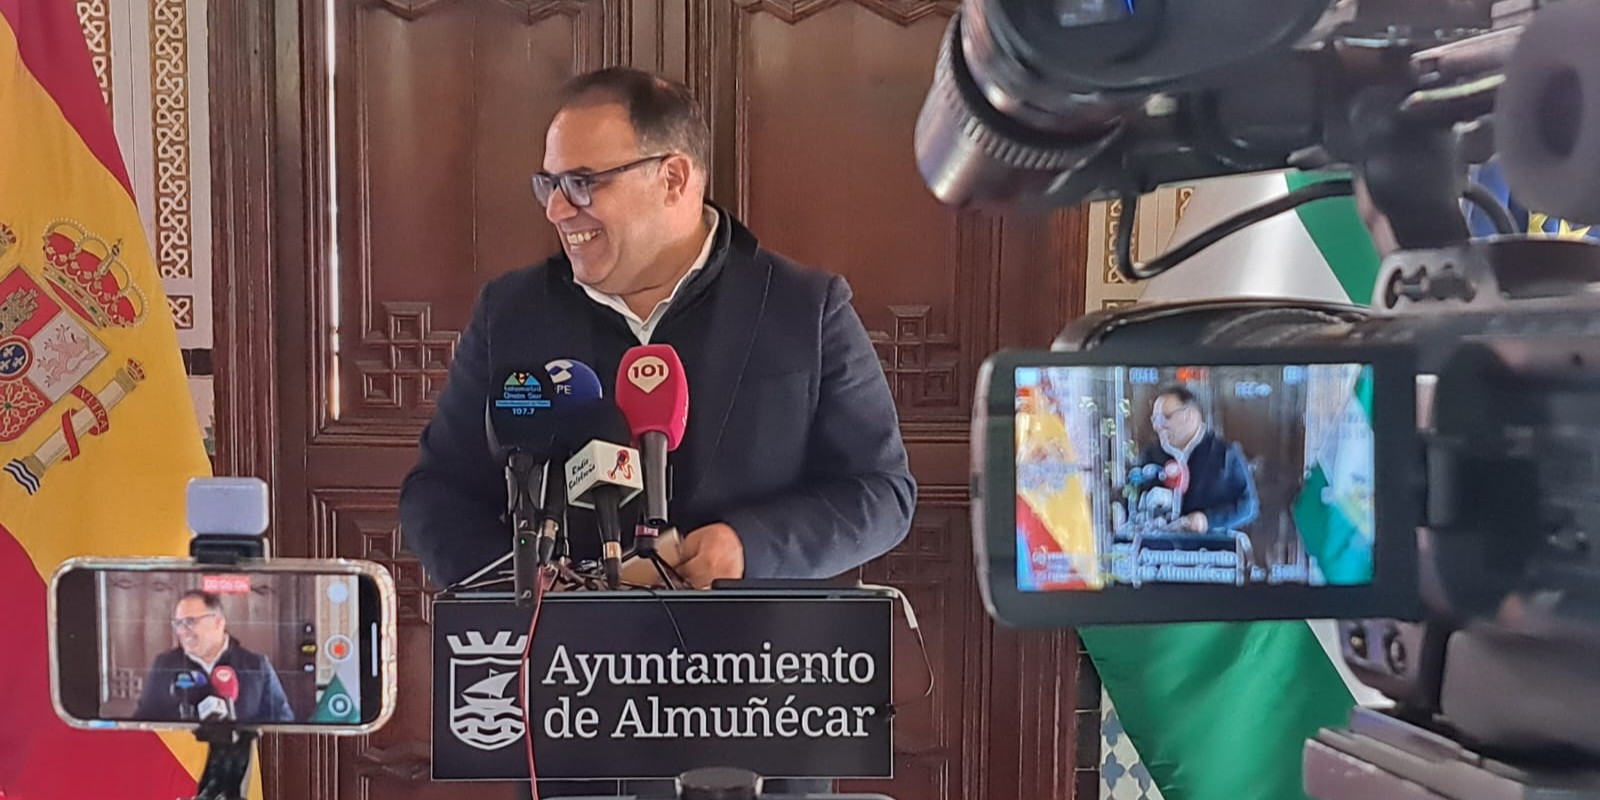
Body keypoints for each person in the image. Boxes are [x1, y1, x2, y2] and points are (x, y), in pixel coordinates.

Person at [398, 67, 916, 796]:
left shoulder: (804, 308)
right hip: (575, 722)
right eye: (549, 184)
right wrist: (523, 585)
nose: (559, 209)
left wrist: (747, 546)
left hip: (762, 715)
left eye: (583, 182)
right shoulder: (513, 313)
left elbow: (883, 494)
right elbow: (437, 494)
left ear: (672, 178)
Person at [132, 590, 295, 724]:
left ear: (218, 622)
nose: (182, 631)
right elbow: (142, 722)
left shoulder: (256, 666)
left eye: (190, 622)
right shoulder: (165, 665)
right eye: (178, 624)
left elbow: (283, 723)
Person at [1138, 386, 1258, 534]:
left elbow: (1248, 507)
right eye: (1155, 419)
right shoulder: (1151, 454)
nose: (1158, 426)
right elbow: (1136, 496)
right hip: (1159, 545)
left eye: (1166, 417)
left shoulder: (1225, 454)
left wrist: (1207, 520)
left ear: (1190, 415)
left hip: (1210, 545)